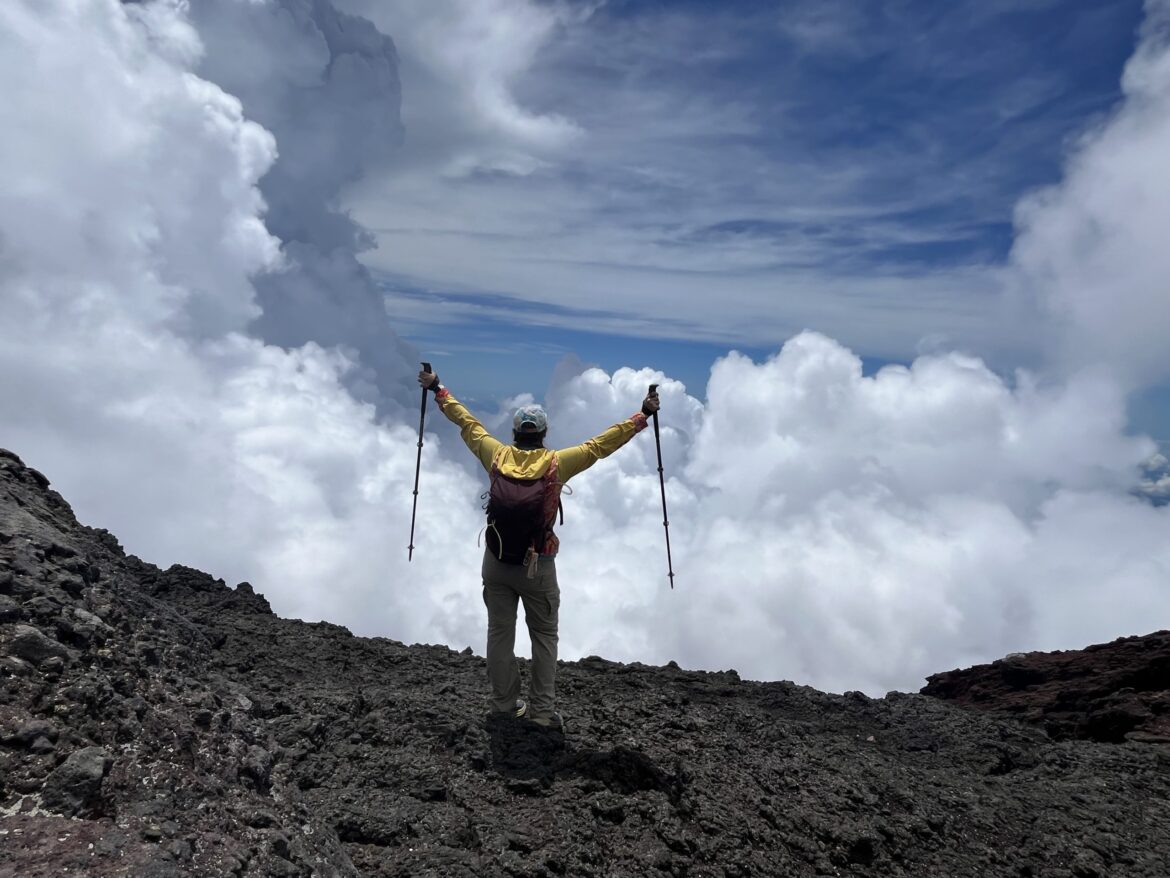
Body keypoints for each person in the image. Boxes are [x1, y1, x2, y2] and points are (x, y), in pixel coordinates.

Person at [417, 368, 661, 728]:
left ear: (515, 433)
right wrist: (643, 416)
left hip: (496, 561)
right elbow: (601, 445)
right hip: (538, 564)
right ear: (544, 434)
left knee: (500, 633)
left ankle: (503, 706)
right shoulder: (557, 463)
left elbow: (465, 421)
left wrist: (438, 388)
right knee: (544, 637)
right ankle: (542, 714)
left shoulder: (495, 455)